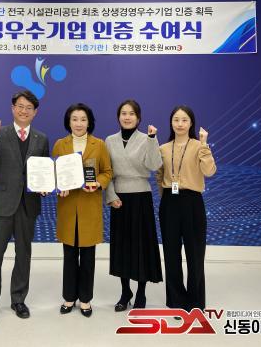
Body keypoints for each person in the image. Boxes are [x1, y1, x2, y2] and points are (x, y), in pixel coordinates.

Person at [0, 90, 50, 323]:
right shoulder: (0, 133)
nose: (24, 111)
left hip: (28, 205)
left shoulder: (41, 138)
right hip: (1, 204)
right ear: (12, 108)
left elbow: (44, 170)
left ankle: (18, 299)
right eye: (20, 106)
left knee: (23, 255)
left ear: (35, 112)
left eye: (29, 108)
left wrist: (45, 185)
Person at [52, 103, 112, 317]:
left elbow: (107, 171)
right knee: (69, 255)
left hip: (89, 207)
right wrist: (59, 187)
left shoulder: (99, 144)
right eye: (74, 119)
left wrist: (98, 183)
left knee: (88, 257)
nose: (79, 123)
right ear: (68, 122)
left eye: (83, 119)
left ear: (89, 122)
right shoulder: (60, 144)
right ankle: (69, 297)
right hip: (68, 207)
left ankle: (85, 299)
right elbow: (55, 173)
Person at [156, 105, 216, 312]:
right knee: (171, 255)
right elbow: (159, 176)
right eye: (176, 120)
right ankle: (176, 301)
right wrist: (166, 199)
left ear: (191, 123)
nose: (180, 124)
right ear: (171, 123)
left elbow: (209, 171)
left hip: (192, 202)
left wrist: (205, 144)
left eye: (184, 120)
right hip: (169, 203)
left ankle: (195, 302)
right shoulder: (163, 148)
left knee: (195, 254)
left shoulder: (199, 146)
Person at [105, 100, 163, 312]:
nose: (127, 117)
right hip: (118, 198)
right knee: (122, 247)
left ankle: (141, 292)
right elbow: (106, 171)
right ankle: (125, 292)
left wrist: (152, 139)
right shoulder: (109, 140)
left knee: (141, 247)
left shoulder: (147, 138)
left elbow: (155, 165)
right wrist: (111, 196)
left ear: (138, 118)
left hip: (141, 197)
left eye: (131, 114)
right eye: (123, 113)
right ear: (118, 116)